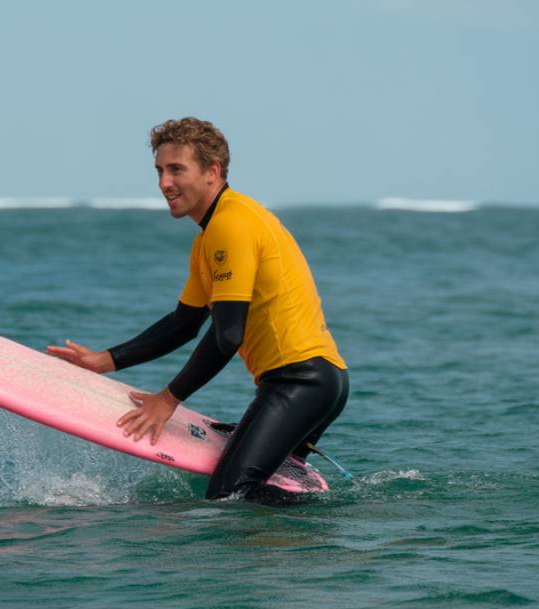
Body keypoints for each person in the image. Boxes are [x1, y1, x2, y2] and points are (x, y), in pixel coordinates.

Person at [47, 117, 348, 502]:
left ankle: (330, 527)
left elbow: (228, 336)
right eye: (159, 170)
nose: (164, 183)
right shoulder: (211, 236)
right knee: (256, 492)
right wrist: (104, 361)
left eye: (176, 169)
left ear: (212, 172)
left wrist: (168, 399)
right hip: (318, 382)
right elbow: (183, 323)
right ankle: (297, 546)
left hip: (300, 383)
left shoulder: (231, 225)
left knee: (230, 496)